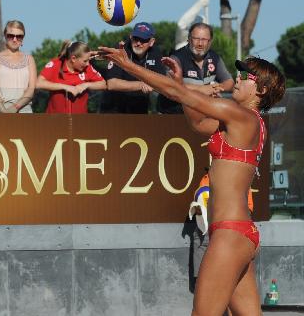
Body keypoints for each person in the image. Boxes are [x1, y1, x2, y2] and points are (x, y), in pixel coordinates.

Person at [100, 44, 285, 316]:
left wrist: (128, 66)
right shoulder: (245, 123)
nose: (239, 78)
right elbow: (198, 123)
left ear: (262, 90)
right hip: (242, 234)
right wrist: (177, 82)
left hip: (230, 234)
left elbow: (180, 95)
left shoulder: (242, 116)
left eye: (247, 76)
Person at [158, 22, 234, 114]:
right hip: (173, 114)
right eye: (196, 39)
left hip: (199, 114)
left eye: (204, 39)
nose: (200, 44)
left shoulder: (215, 58)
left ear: (210, 42)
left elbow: (230, 82)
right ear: (189, 39)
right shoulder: (176, 58)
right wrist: (203, 90)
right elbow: (171, 85)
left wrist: (214, 88)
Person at [99, 22, 166, 113]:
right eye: (136, 38)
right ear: (131, 37)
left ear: (152, 42)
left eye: (143, 40)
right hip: (113, 108)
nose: (138, 43)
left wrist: (152, 85)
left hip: (139, 106)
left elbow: (163, 81)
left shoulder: (156, 52)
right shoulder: (119, 50)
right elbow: (112, 83)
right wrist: (142, 84)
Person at [36, 40, 107, 114]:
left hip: (80, 120)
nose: (87, 64)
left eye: (88, 60)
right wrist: (66, 87)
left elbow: (103, 84)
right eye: (85, 61)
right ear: (73, 58)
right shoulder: (56, 64)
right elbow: (38, 83)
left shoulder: (87, 68)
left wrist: (85, 85)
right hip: (55, 120)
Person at [0, 20, 36, 113]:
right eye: (11, 36)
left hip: (24, 109)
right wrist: (4, 111)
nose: (14, 39)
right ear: (5, 36)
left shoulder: (30, 59)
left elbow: (31, 90)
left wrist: (15, 108)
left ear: (23, 38)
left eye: (19, 36)